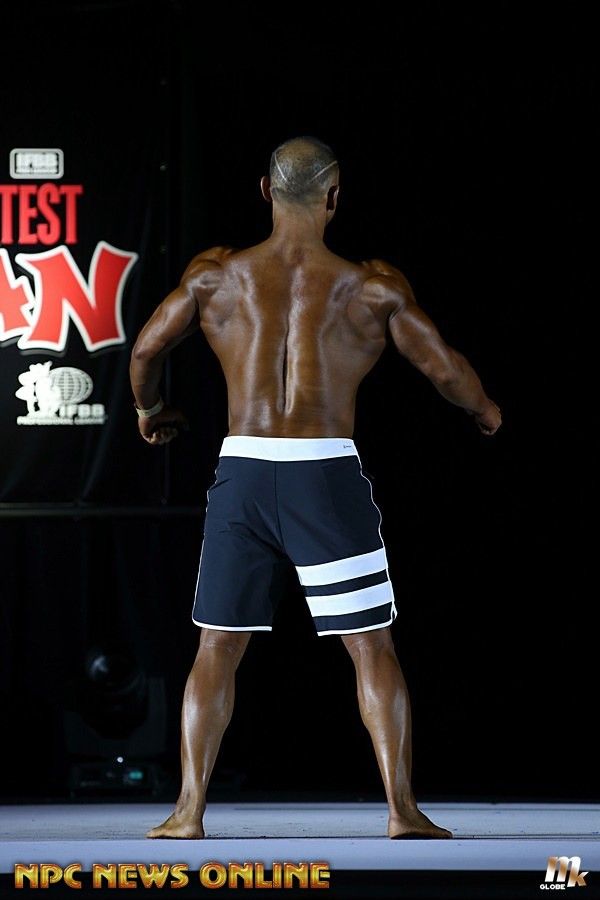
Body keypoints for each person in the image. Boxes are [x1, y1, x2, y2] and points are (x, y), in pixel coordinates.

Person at [129, 136, 501, 841]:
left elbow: (147, 348)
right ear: (334, 197)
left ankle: (187, 812)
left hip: (242, 471)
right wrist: (485, 411)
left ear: (264, 191)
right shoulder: (372, 287)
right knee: (371, 646)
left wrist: (150, 410)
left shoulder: (215, 276)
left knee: (217, 646)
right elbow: (444, 369)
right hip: (324, 474)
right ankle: (401, 811)